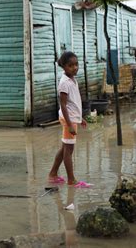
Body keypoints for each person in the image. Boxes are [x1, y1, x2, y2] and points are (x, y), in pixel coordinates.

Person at [48, 51, 87, 186]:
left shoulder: (72, 80)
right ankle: (71, 180)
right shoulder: (64, 83)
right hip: (67, 119)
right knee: (69, 151)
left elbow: (74, 102)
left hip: (71, 118)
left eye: (76, 64)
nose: (75, 67)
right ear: (64, 66)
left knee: (65, 148)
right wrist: (70, 124)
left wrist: (80, 118)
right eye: (71, 65)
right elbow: (63, 105)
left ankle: (53, 174)